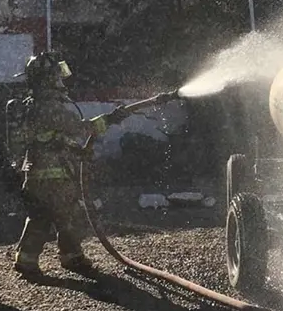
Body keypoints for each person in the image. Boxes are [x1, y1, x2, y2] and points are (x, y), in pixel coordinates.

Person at [10, 51, 176, 276]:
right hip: (54, 177)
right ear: (48, 80)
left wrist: (77, 150)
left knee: (41, 217)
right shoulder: (48, 107)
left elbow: (55, 139)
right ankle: (71, 258)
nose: (61, 81)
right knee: (68, 215)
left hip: (37, 176)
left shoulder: (35, 105)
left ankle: (27, 260)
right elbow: (80, 128)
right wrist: (110, 119)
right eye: (56, 77)